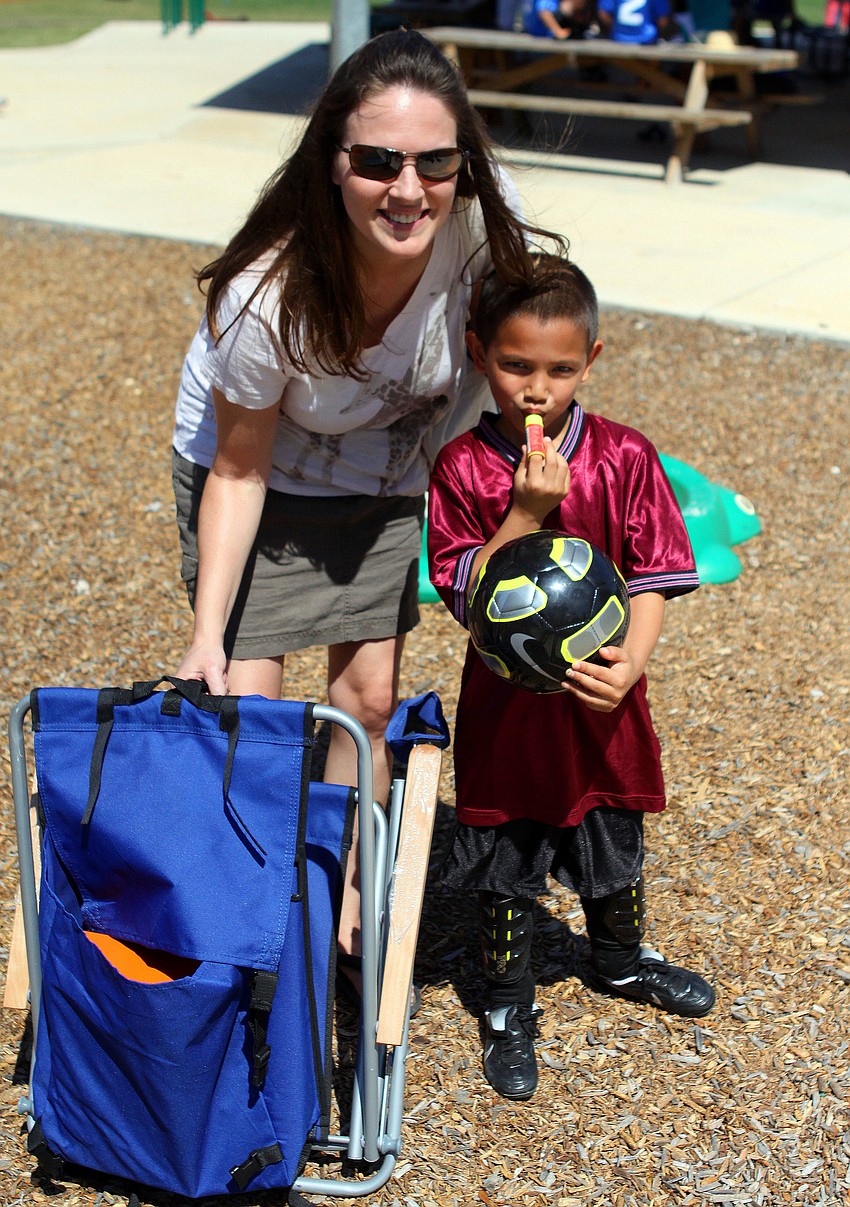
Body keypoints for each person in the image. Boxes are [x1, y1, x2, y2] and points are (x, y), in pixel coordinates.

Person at [171, 29, 564, 991]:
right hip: (260, 470)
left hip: (387, 468)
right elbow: (238, 470)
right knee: (244, 702)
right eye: (379, 161)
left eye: (434, 161)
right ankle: (241, 919)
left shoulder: (480, 234)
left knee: (370, 701)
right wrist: (206, 632)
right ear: (333, 164)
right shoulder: (268, 292)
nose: (408, 187)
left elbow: (536, 357)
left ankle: (346, 902)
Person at [427, 256, 715, 1101]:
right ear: (480, 354)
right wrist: (523, 512)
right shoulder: (462, 469)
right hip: (507, 717)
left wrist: (633, 663)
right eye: (516, 365)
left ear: (591, 358)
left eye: (559, 368)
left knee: (613, 837)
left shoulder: (624, 456)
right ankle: (508, 1003)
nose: (536, 388)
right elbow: (466, 593)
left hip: (602, 707)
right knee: (506, 856)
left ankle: (620, 962)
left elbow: (657, 573)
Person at [597, 0, 675, 41]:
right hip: (647, 39)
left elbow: (603, 14)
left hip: (619, 38)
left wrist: (615, 28)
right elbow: (663, 20)